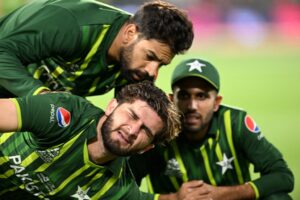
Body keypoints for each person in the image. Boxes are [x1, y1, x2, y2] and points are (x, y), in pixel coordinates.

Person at [129, 58, 294, 200]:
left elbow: (283, 176)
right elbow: (123, 189)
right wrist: (173, 198)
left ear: (216, 102)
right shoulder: (156, 131)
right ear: (172, 100)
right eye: (184, 96)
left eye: (201, 96)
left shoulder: (235, 123)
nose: (192, 106)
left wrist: (222, 195)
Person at [0, 81, 181, 199]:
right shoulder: (64, 112)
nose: (132, 129)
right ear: (112, 106)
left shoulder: (118, 189)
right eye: (132, 115)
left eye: (145, 130)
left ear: (146, 148)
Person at [0, 0, 193, 98]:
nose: (152, 71)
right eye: (150, 56)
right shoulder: (74, 25)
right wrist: (42, 97)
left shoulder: (134, 69)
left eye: (162, 64)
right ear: (130, 33)